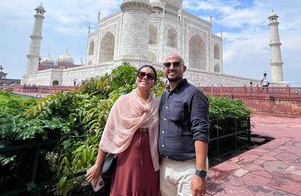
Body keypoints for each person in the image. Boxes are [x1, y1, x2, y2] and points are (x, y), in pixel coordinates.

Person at [86, 65, 160, 195]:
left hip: (151, 160)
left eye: (150, 76)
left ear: (154, 82)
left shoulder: (157, 105)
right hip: (127, 159)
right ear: (136, 78)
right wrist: (98, 164)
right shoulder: (123, 102)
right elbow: (109, 134)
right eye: (141, 74)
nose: (145, 78)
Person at [159, 53, 209, 196]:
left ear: (184, 68)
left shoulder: (194, 94)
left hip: (188, 167)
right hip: (166, 166)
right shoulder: (164, 95)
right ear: (164, 68)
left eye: (176, 64)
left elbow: (201, 132)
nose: (171, 67)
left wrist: (200, 173)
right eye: (168, 65)